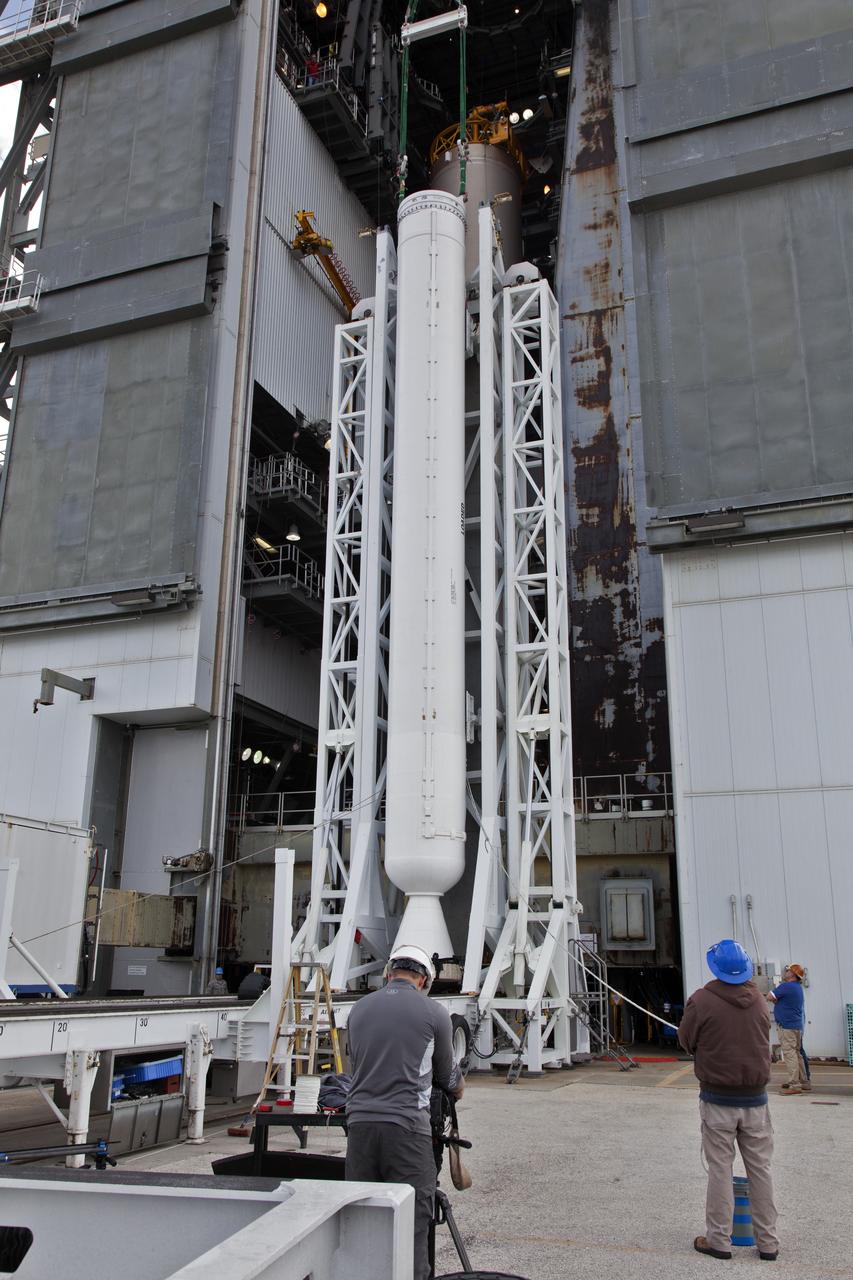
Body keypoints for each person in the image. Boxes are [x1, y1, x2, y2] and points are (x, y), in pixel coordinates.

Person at [345, 944, 464, 1280]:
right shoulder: (434, 1013)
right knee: (413, 1222)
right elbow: (447, 1076)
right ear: (424, 978)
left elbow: (358, 1064)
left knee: (361, 1218)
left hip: (360, 1129)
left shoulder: (359, 1010)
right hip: (407, 1129)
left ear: (388, 972)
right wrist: (458, 1087)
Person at [678, 939, 779, 1262]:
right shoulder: (761, 1002)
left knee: (720, 1169)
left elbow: (686, 1040)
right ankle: (768, 1243)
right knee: (760, 1170)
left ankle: (719, 1240)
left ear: (715, 968)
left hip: (718, 1099)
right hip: (756, 1101)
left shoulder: (702, 1001)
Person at [766, 963, 809, 1094]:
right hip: (796, 1026)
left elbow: (769, 996)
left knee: (790, 1054)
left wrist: (775, 1000)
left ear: (793, 974)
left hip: (787, 1027)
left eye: (788, 970)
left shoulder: (786, 986)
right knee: (797, 1054)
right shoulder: (797, 988)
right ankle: (804, 1081)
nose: (786, 972)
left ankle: (794, 1085)